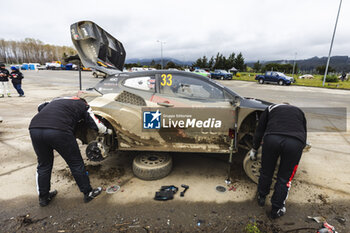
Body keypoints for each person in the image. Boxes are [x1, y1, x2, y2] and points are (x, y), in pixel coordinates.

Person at [29, 96, 112, 207]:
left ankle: (43, 198)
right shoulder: (83, 105)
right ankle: (88, 193)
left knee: (44, 164)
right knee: (75, 163)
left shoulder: (55, 101)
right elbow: (94, 123)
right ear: (84, 101)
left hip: (35, 128)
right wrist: (107, 131)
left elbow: (40, 107)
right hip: (59, 131)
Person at [249, 103, 307, 219]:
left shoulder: (271, 108)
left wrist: (254, 148)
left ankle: (261, 197)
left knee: (266, 171)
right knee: (284, 178)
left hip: (272, 139)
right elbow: (304, 131)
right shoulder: (299, 111)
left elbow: (260, 129)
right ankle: (276, 209)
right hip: (295, 142)